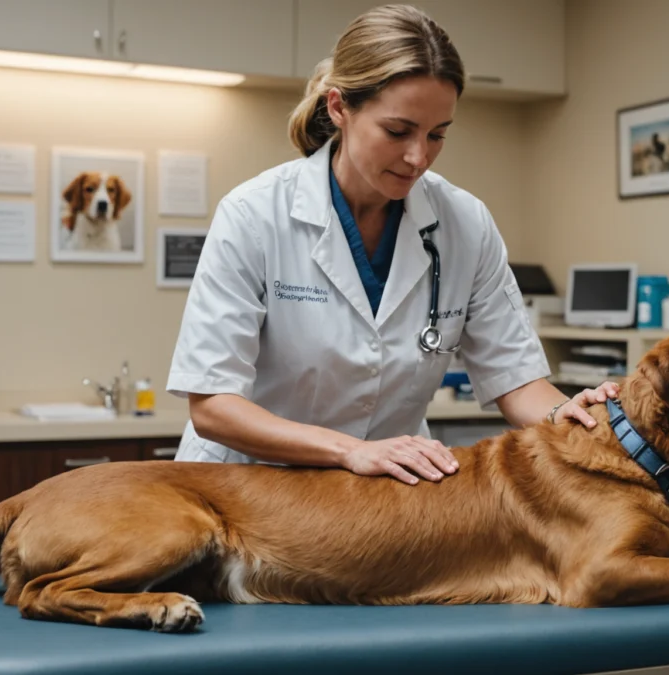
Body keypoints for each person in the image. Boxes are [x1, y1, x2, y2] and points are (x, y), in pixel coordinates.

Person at [166, 4, 619, 485]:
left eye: (437, 135)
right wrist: (351, 451)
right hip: (245, 490)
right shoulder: (255, 215)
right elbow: (213, 405)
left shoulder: (465, 223)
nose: (418, 157)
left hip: (381, 498)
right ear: (338, 107)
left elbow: (516, 380)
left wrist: (568, 417)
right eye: (397, 131)